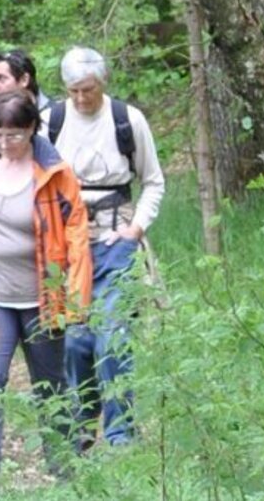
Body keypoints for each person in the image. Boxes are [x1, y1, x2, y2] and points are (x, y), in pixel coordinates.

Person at [0, 90, 91, 495]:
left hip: (43, 300)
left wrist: (77, 300)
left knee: (50, 387)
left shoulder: (55, 173)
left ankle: (65, 468)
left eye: (13, 134)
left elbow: (77, 236)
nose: (4, 142)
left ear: (31, 129)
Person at [52, 46, 166, 450]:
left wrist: (136, 229)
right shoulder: (54, 120)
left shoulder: (127, 119)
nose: (82, 98)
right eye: (74, 90)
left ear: (102, 83)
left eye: (89, 89)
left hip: (117, 238)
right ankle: (82, 425)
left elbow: (153, 180)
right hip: (70, 244)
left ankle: (121, 433)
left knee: (112, 334)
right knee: (77, 340)